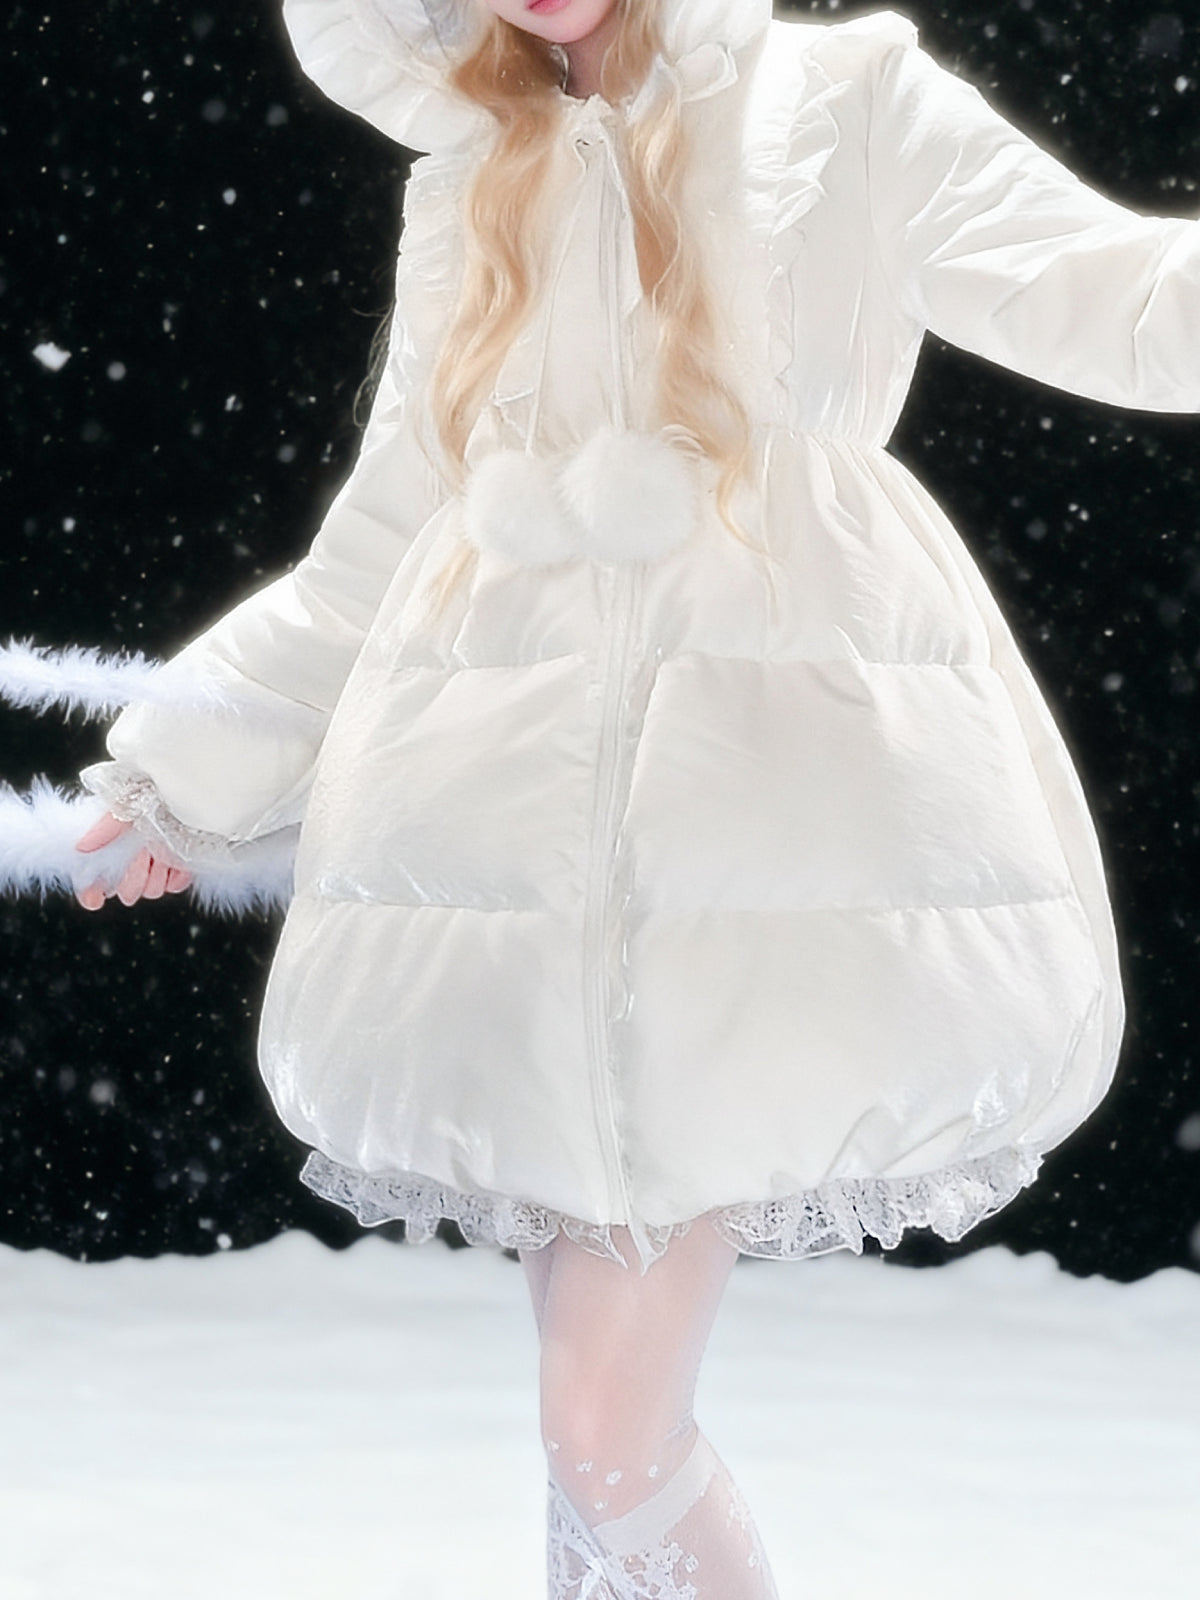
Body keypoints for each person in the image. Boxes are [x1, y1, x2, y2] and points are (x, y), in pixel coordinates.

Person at [60, 0, 1198, 1593]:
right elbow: (379, 544)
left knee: (605, 1428)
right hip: (512, 843)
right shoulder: (479, 170)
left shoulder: (842, 100)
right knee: (586, 1448)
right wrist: (184, 774)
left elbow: (1120, 298)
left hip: (753, 835)